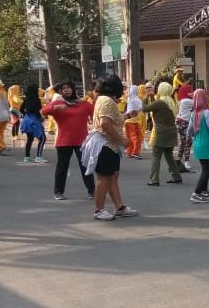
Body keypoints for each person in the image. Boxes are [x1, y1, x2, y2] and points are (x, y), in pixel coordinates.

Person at [88, 75, 137, 221]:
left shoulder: (104, 100)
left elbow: (111, 120)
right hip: (106, 145)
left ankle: (119, 206)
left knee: (112, 176)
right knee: (104, 178)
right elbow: (105, 124)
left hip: (109, 144)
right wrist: (121, 139)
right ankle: (99, 209)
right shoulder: (107, 101)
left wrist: (127, 115)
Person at [42, 81, 95, 201]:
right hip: (63, 141)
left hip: (82, 141)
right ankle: (58, 192)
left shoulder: (84, 104)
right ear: (60, 91)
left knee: (85, 166)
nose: (66, 90)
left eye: (68, 88)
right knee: (62, 167)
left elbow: (95, 116)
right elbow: (43, 111)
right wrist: (54, 107)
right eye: (63, 88)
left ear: (74, 89)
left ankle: (92, 191)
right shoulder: (58, 103)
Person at [143, 82, 182, 186]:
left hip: (162, 131)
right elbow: (157, 107)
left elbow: (145, 108)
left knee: (156, 156)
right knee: (169, 155)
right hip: (171, 130)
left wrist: (146, 96)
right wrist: (152, 97)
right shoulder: (171, 101)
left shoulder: (160, 102)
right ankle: (176, 176)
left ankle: (154, 179)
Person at [19, 85, 47, 163]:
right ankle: (38, 157)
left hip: (26, 119)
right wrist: (41, 118)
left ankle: (27, 157)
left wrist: (25, 114)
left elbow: (21, 109)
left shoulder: (26, 99)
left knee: (30, 139)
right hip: (34, 120)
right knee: (42, 138)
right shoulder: (37, 100)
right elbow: (37, 111)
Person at [123, 85, 145, 159]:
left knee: (129, 137)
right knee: (137, 137)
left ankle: (129, 152)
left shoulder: (129, 99)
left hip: (127, 121)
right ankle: (135, 152)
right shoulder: (137, 100)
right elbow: (141, 108)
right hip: (135, 121)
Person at [174, 94, 194, 173]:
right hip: (184, 122)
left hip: (180, 121)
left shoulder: (182, 101)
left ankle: (178, 159)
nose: (191, 93)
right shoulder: (188, 101)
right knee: (188, 141)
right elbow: (198, 103)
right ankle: (186, 161)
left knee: (183, 142)